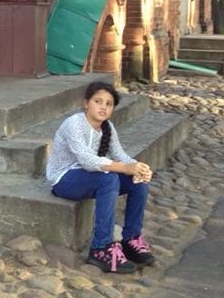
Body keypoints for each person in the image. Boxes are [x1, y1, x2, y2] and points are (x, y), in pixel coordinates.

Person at [46, 80, 155, 274]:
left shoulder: (107, 127)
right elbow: (87, 160)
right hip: (64, 179)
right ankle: (101, 248)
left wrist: (139, 167)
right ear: (86, 103)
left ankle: (131, 239)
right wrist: (125, 168)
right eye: (98, 101)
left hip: (90, 177)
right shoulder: (74, 124)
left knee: (137, 181)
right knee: (109, 178)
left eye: (108, 104)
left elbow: (120, 155)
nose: (103, 107)